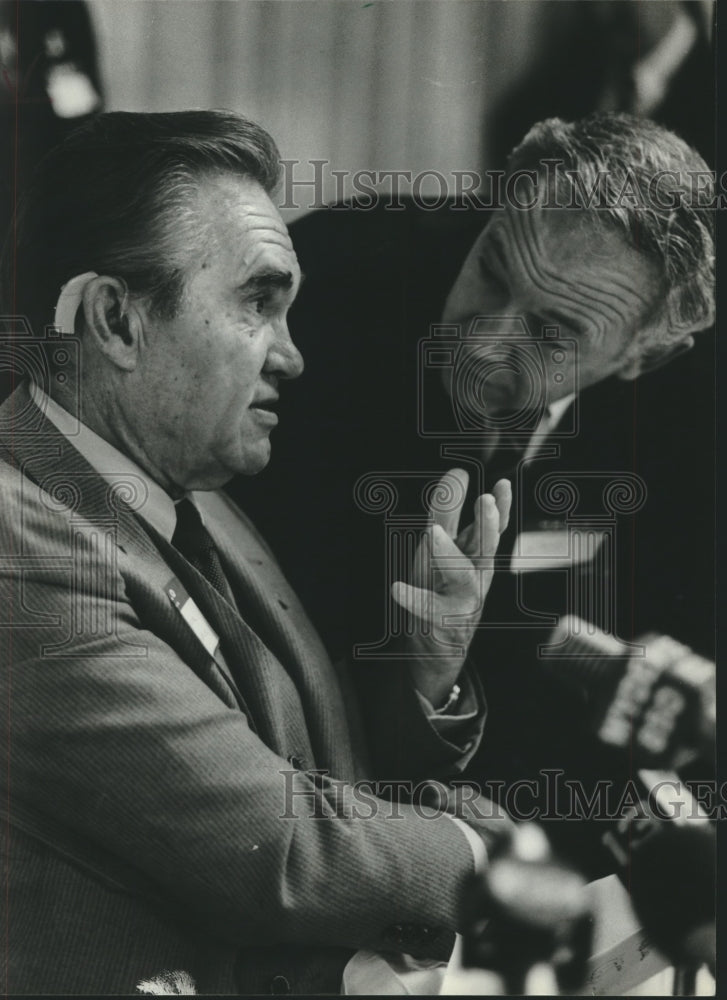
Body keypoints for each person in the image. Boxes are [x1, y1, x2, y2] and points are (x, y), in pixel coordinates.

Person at [0, 110, 514, 995]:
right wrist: (488, 855)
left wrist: (422, 675)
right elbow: (275, 849)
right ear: (116, 320)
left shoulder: (190, 489)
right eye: (258, 304)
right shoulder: (19, 541)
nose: (293, 356)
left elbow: (311, 772)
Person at [240, 112, 715, 874]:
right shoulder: (324, 282)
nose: (483, 341)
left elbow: (641, 720)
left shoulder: (692, 438)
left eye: (554, 332)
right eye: (492, 269)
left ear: (641, 358)